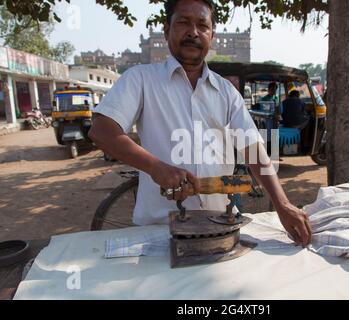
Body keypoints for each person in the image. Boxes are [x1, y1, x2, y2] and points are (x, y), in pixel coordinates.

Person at [88, 0, 312, 245]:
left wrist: (282, 204)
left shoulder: (226, 91)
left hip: (221, 227)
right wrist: (156, 167)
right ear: (166, 30)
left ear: (211, 35)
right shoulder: (140, 79)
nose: (193, 32)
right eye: (183, 22)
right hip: (159, 233)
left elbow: (252, 148)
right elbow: (102, 130)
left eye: (202, 25)